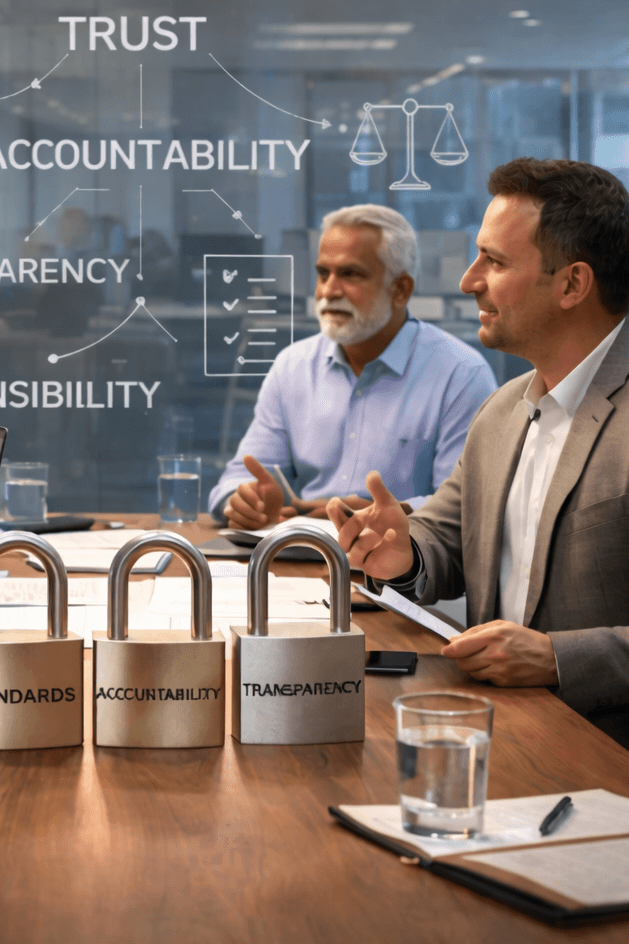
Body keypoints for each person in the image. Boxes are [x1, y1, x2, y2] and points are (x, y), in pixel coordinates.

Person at [328, 158, 629, 748]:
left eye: (494, 261)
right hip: (502, 732)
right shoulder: (504, 409)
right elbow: (446, 540)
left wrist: (559, 658)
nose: (469, 280)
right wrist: (401, 552)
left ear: (572, 284)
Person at [210, 204, 497, 529]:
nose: (329, 291)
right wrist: (244, 500)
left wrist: (392, 511)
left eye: (351, 274)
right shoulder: (292, 367)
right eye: (322, 274)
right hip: (300, 557)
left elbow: (466, 504)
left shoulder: (460, 375)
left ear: (400, 290)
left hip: (401, 568)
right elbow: (239, 477)